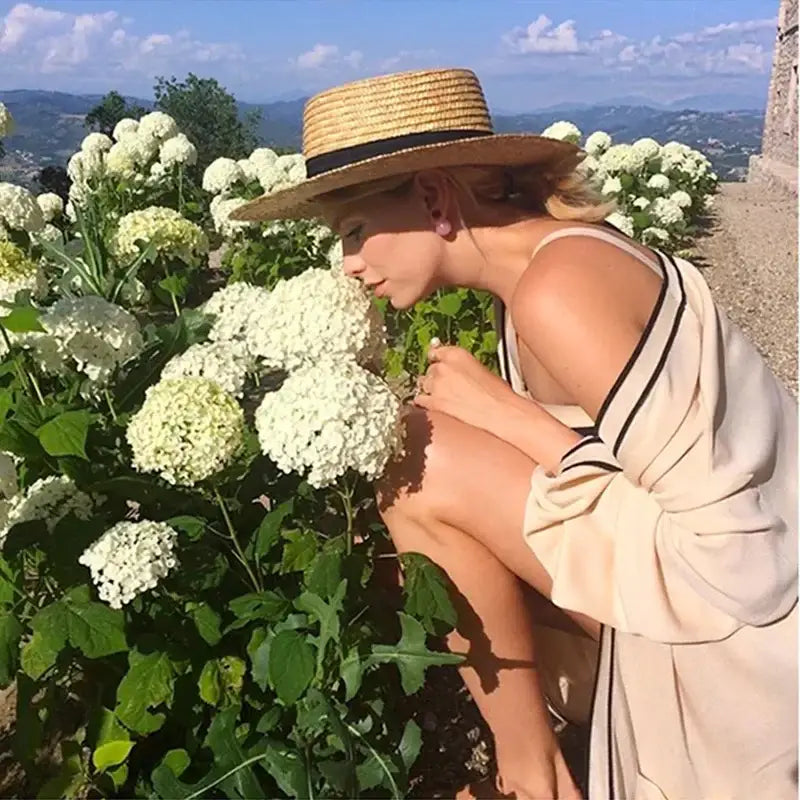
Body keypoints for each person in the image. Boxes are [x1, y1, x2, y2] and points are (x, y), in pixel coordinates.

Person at [232, 67, 798, 799]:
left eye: (354, 231)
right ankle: (537, 766)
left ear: (434, 197)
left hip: (759, 653)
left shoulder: (557, 292)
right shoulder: (559, 261)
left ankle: (533, 780)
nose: (348, 265)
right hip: (747, 601)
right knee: (408, 557)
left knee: (415, 460)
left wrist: (510, 418)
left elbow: (739, 561)